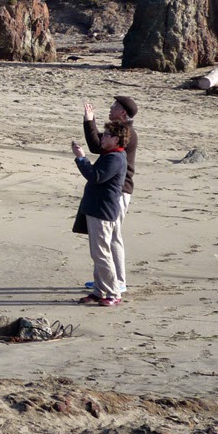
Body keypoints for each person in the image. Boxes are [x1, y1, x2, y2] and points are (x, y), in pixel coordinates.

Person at [83, 96, 138, 294]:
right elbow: (97, 144)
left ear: (122, 112)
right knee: (105, 237)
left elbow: (97, 146)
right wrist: (89, 121)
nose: (110, 108)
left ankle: (118, 281)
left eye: (114, 106)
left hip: (119, 191)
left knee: (113, 235)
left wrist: (90, 120)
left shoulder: (126, 133)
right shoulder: (117, 130)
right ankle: (105, 280)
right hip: (113, 190)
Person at [72, 121, 131, 306]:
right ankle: (99, 291)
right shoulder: (110, 155)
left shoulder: (115, 158)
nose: (102, 138)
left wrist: (81, 158)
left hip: (103, 212)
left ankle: (113, 293)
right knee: (97, 254)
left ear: (116, 139)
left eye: (106, 135)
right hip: (97, 210)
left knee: (102, 254)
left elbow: (95, 176)